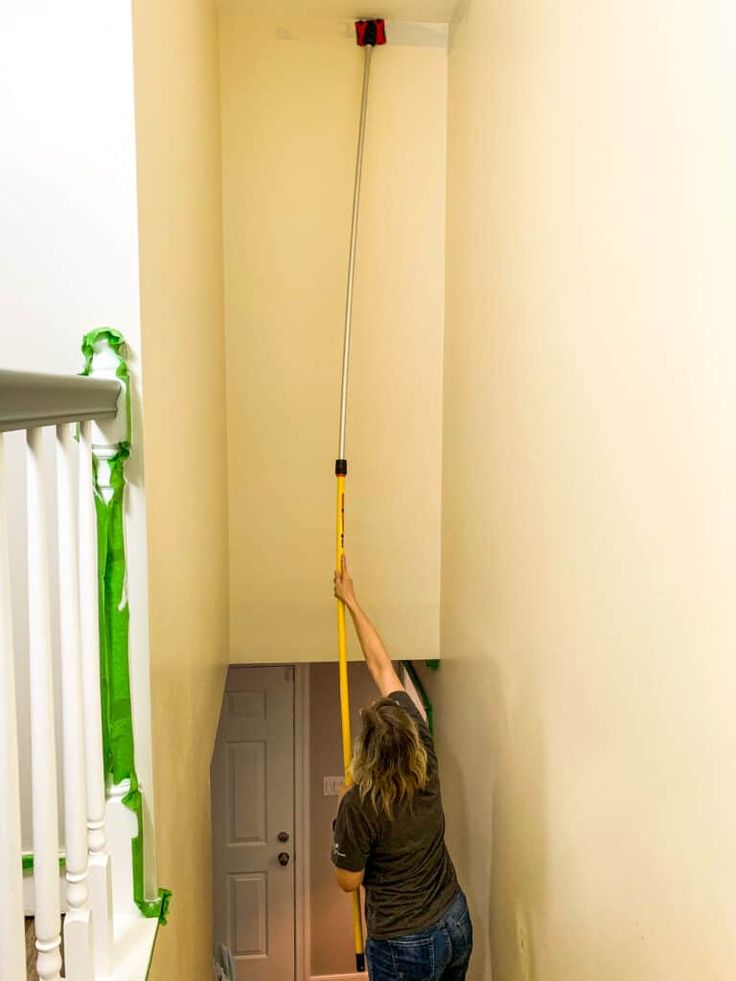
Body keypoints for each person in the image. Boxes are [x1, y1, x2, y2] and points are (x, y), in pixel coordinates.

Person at [331, 558, 473, 981]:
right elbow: (381, 667)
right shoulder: (424, 750)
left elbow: (347, 881)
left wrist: (341, 806)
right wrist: (352, 601)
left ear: (370, 756)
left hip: (405, 945)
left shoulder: (360, 804)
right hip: (455, 919)